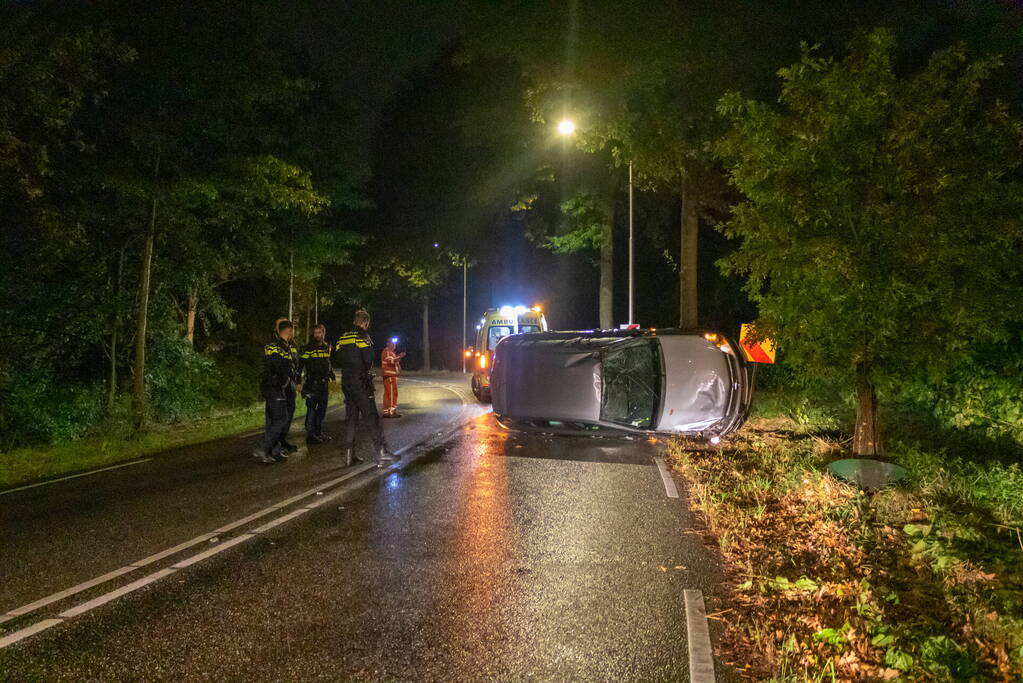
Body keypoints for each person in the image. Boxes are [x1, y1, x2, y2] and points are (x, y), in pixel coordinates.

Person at [335, 309, 396, 467]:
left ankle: (349, 455)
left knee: (351, 418)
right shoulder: (362, 336)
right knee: (372, 417)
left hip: (346, 382)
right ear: (366, 322)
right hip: (361, 382)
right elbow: (369, 359)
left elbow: (336, 356)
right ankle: (381, 452)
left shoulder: (343, 337)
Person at [254, 319, 302, 464]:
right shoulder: (277, 347)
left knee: (275, 419)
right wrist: (287, 376)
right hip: (275, 387)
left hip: (275, 387)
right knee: (281, 419)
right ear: (288, 331)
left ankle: (273, 450)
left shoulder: (283, 346)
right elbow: (279, 366)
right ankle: (262, 447)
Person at [300, 323, 335, 444]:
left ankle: (318, 432)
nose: (317, 335)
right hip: (312, 384)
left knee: (322, 410)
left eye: (319, 332)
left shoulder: (326, 346)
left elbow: (327, 362)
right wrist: (299, 383)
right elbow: (300, 366)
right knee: (311, 410)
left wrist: (331, 375)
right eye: (315, 333)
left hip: (323, 384)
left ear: (324, 333)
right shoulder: (308, 348)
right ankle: (310, 435)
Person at [381, 337, 406, 418]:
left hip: (390, 376)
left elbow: (395, 361)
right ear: (388, 344)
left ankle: (386, 412)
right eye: (392, 343)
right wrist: (400, 357)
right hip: (390, 376)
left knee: (388, 394)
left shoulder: (392, 352)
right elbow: (390, 361)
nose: (394, 345)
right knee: (392, 394)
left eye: (394, 343)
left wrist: (399, 367)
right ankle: (392, 412)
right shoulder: (387, 351)